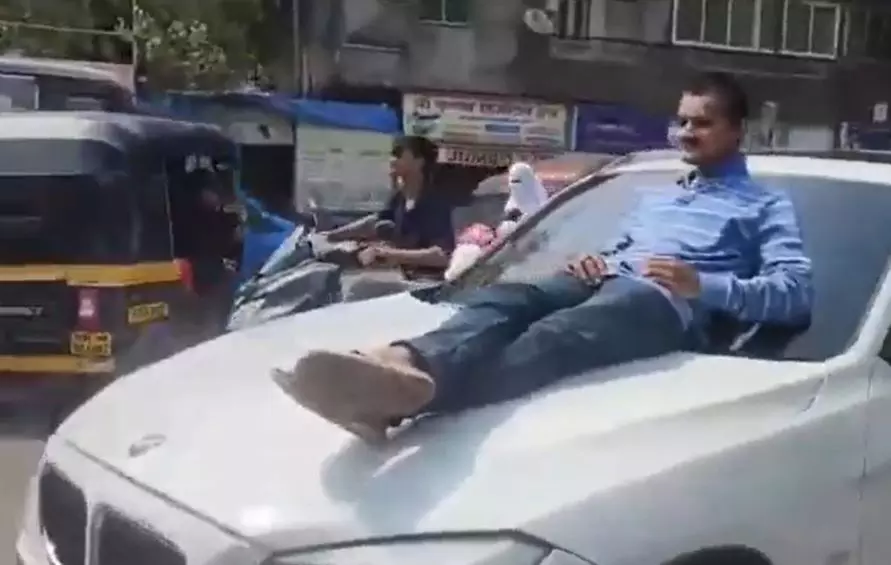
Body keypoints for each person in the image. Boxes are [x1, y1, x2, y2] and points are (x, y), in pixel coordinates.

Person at [277, 72, 814, 443]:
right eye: (682, 121)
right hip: (607, 283)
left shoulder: (764, 205)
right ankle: (399, 364)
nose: (686, 133)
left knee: (553, 338)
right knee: (513, 297)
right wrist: (596, 259)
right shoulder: (664, 192)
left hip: (662, 307)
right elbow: (620, 249)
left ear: (737, 130)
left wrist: (703, 285)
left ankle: (405, 400)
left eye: (703, 123)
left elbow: (794, 295)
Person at [320, 135, 455, 280]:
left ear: (419, 162)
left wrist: (387, 254)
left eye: (398, 153)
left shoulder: (434, 203)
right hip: (398, 273)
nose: (392, 159)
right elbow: (375, 223)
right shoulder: (400, 198)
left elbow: (442, 255)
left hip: (423, 281)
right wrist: (331, 235)